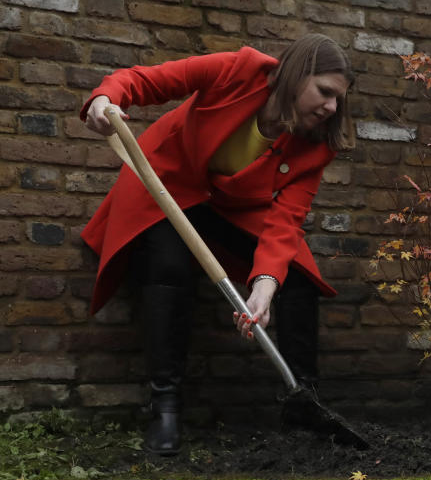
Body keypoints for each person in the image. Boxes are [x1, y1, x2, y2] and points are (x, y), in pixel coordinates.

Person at [80, 34, 354, 455]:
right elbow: (143, 80)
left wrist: (264, 285)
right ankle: (165, 405)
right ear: (297, 76)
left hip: (227, 207)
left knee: (296, 277)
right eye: (325, 92)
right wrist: (105, 99)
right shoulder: (235, 70)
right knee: (169, 268)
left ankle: (304, 403)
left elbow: (286, 221)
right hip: (167, 186)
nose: (333, 107)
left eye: (339, 98)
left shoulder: (314, 146)